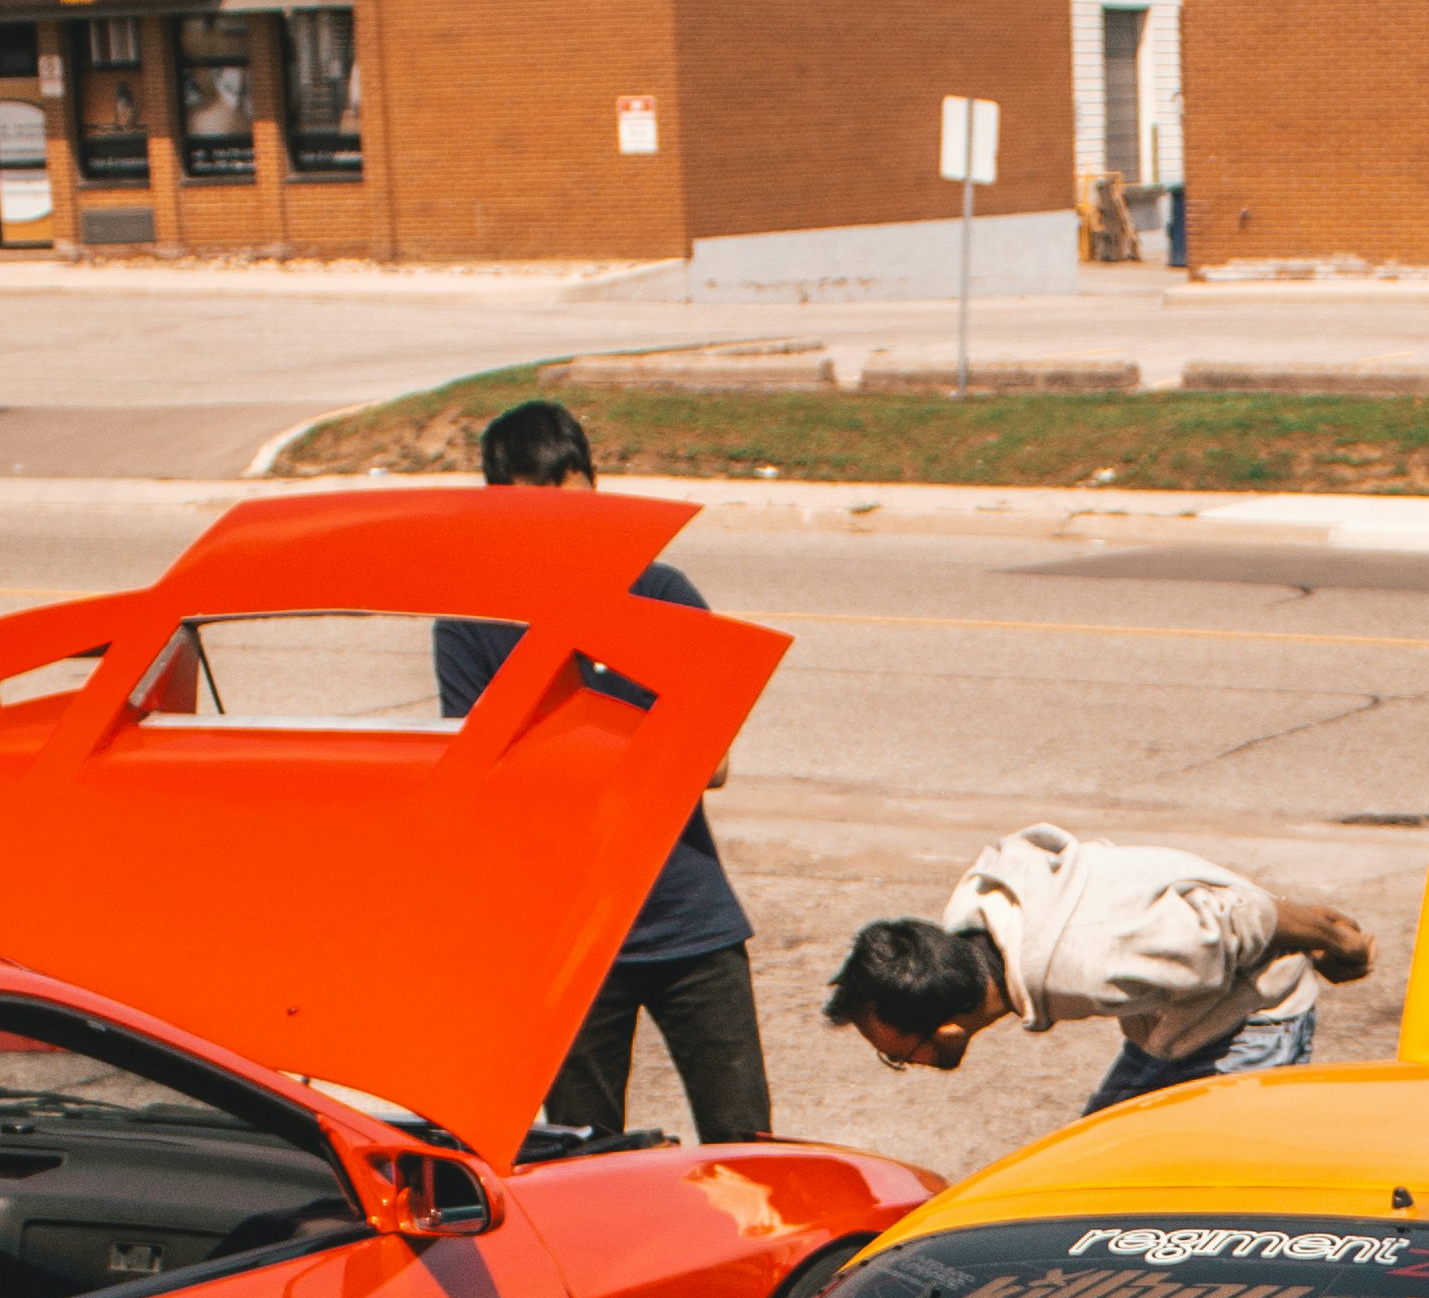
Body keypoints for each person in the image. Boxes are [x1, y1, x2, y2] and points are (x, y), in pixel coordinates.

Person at [435, 398, 775, 1143]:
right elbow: (484, 778)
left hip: (688, 919)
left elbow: (709, 763)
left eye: (576, 500)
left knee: (746, 1145)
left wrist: (560, 748)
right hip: (571, 936)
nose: (565, 528)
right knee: (585, 1161)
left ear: (596, 486)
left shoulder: (663, 595)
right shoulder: (471, 620)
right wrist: (636, 741)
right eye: (539, 507)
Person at [824, 823, 1371, 1114]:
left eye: (899, 1057)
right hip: (1170, 1024)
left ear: (945, 1032)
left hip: (1251, 1021)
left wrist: (1335, 939)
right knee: (1097, 1173)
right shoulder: (978, 914)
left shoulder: (1091, 967)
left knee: (1209, 1201)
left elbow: (1243, 917)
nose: (903, 1064)